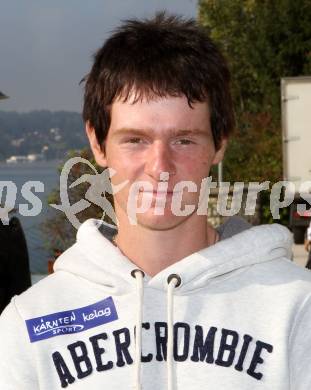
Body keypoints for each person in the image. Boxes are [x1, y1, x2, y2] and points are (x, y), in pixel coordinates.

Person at [1, 12, 311, 390]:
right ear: (98, 143)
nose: (160, 167)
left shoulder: (297, 308)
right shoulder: (31, 324)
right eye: (135, 139)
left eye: (184, 140)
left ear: (220, 143)